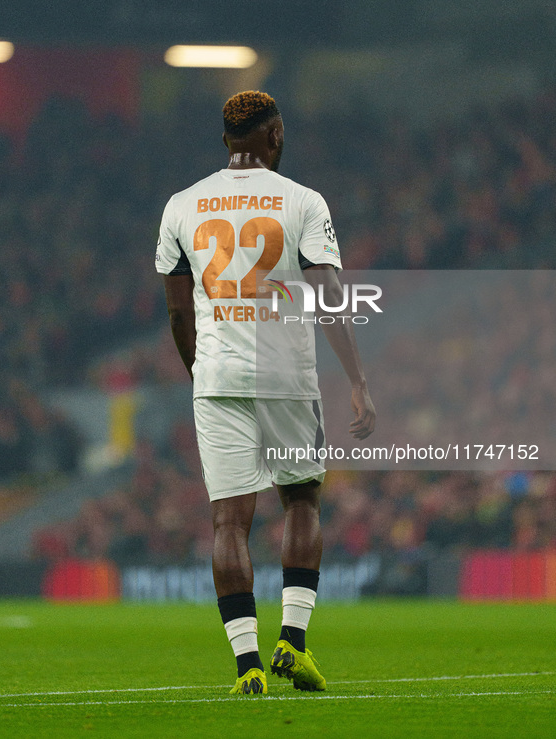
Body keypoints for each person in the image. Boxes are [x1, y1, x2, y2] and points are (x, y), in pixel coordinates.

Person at [156, 91, 375, 695]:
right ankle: (293, 643)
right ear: (274, 134)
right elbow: (329, 295)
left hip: (217, 378)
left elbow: (179, 314)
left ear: (226, 141)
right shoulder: (303, 201)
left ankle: (246, 664)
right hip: (285, 375)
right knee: (301, 502)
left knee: (229, 520)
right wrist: (356, 381)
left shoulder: (181, 206)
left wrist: (201, 371)